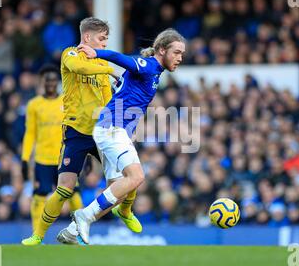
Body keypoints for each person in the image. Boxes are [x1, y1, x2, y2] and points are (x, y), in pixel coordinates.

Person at [22, 17, 138, 245]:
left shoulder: (103, 67)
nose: (105, 44)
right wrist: (112, 71)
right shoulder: (70, 54)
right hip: (76, 131)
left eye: (106, 40)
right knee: (64, 188)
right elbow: (80, 67)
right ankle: (38, 235)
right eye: (102, 39)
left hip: (102, 133)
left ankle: (124, 211)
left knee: (128, 176)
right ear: (87, 38)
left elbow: (108, 100)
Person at [72, 28, 186, 244]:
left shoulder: (154, 74)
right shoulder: (150, 65)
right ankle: (85, 215)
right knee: (136, 177)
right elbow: (119, 58)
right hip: (111, 128)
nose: (180, 58)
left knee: (119, 192)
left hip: (112, 129)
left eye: (182, 54)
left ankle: (71, 230)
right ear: (162, 50)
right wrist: (96, 53)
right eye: (177, 52)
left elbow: (125, 86)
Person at [21, 64, 84, 233]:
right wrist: (25, 158)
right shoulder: (34, 105)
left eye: (53, 80)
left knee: (74, 195)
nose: (50, 83)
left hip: (65, 157)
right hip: (42, 158)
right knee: (39, 195)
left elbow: (77, 128)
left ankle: (80, 232)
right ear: (42, 82)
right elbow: (30, 134)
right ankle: (37, 235)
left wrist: (85, 153)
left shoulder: (67, 101)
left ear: (58, 82)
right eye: (47, 80)